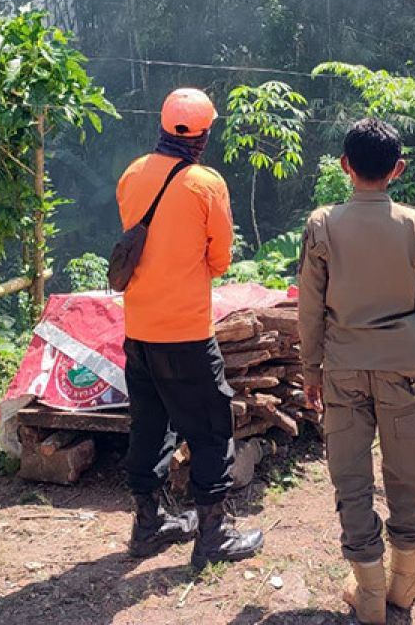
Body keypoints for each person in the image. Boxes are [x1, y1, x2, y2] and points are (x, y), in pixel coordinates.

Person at [298, 118, 415, 625]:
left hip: (342, 367)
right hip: (403, 371)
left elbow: (310, 310)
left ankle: (368, 590)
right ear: (398, 169)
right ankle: (405, 582)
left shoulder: (322, 225)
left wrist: (310, 368)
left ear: (345, 166)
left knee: (350, 475)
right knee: (408, 470)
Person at [117, 87, 264, 569]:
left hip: (138, 331)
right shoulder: (206, 184)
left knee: (149, 425)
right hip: (185, 334)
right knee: (210, 427)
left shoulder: (132, 176)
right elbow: (219, 260)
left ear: (163, 127)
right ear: (202, 136)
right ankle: (212, 536)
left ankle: (147, 525)